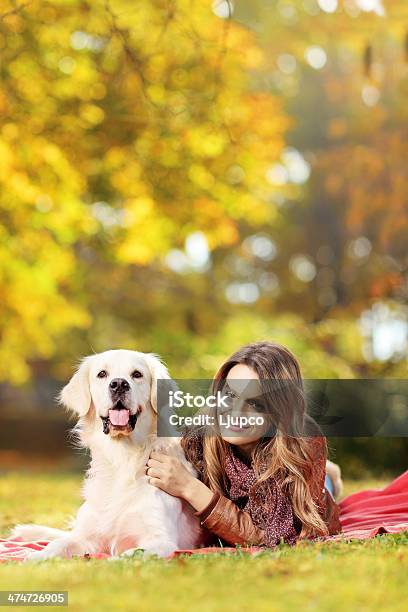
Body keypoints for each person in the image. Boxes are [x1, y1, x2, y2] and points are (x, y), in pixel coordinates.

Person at [146, 341, 342, 548]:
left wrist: (190, 487)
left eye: (256, 404)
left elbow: (274, 540)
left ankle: (328, 475)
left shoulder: (304, 442)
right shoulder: (201, 432)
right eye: (230, 395)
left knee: (322, 487)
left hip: (302, 486)